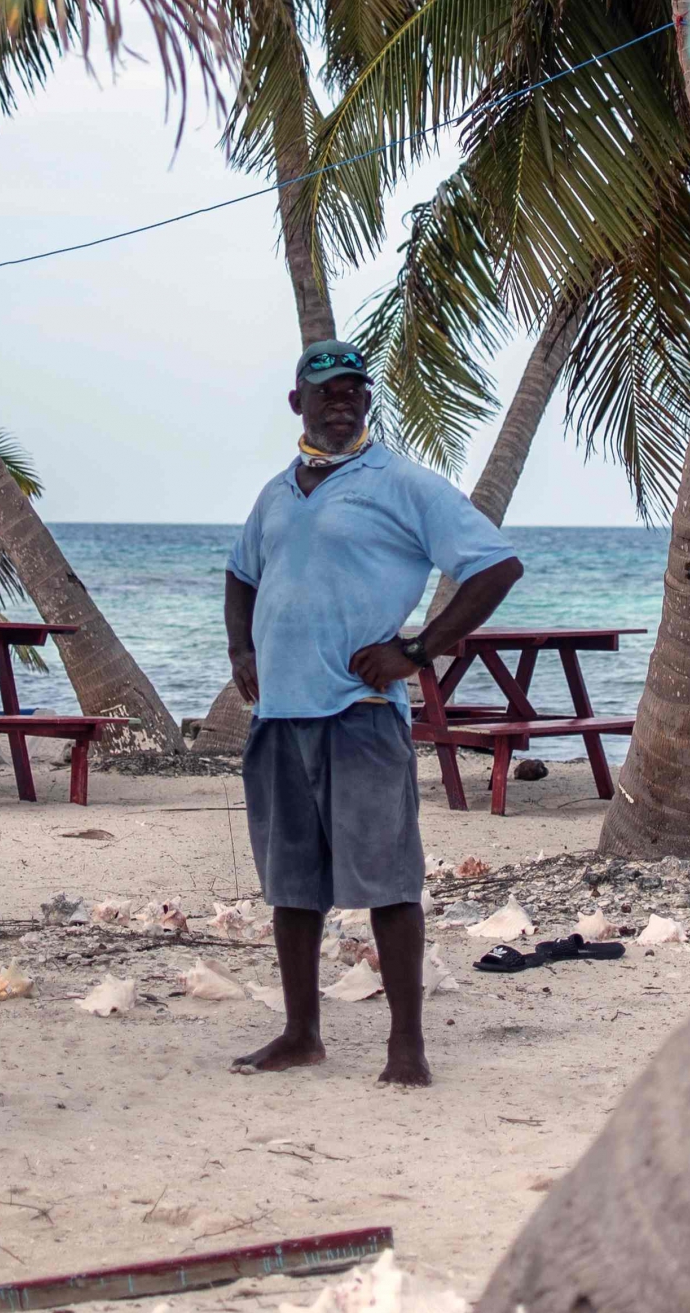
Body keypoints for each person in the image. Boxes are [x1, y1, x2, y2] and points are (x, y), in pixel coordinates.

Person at [223, 340, 525, 1086]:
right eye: (325, 391)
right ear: (297, 402)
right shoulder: (275, 493)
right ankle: (300, 1033)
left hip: (359, 713)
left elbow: (496, 566)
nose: (341, 401)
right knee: (292, 888)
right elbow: (240, 575)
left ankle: (407, 1049)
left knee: (388, 884)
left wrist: (418, 651)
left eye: (353, 390)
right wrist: (241, 651)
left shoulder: (400, 482)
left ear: (366, 400)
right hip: (281, 718)